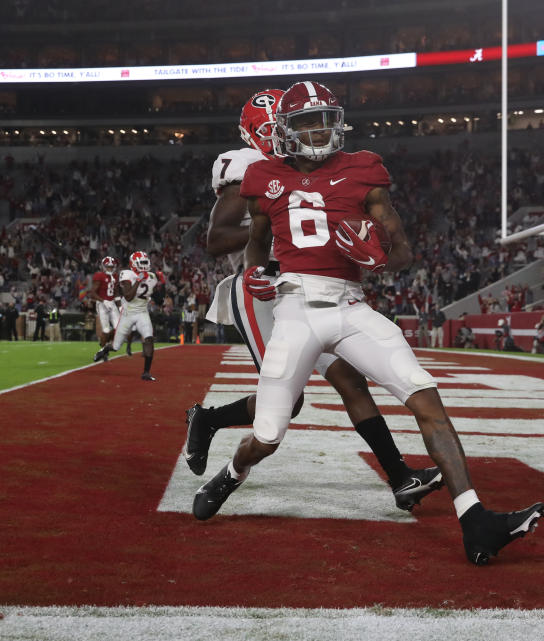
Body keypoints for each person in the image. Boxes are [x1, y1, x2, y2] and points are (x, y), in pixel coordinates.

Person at [192, 81, 544, 565]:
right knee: (270, 433)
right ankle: (231, 472)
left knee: (425, 395)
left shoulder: (364, 169)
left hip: (351, 306)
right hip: (294, 311)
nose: (318, 131)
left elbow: (401, 252)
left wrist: (377, 256)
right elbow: (254, 238)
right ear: (285, 131)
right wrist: (254, 271)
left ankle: (475, 520)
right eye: (305, 123)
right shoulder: (263, 177)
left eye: (325, 120)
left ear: (339, 123)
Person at [184, 88, 442, 513]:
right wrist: (286, 238)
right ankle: (208, 421)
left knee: (351, 381)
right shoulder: (250, 166)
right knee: (291, 402)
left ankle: (399, 477)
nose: (275, 137)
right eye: (267, 129)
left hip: (311, 291)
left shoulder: (308, 166)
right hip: (263, 288)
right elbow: (215, 240)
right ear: (252, 133)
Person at [98, 251, 162, 379]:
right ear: (133, 264)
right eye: (141, 263)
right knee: (116, 347)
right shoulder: (127, 274)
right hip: (128, 313)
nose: (144, 266)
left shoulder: (152, 276)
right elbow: (128, 297)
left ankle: (146, 372)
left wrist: (161, 286)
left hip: (142, 312)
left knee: (149, 339)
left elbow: (158, 298)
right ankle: (105, 349)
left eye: (145, 263)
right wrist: (138, 280)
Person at [91, 256, 121, 362]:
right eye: (108, 267)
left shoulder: (116, 276)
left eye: (112, 267)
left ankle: (105, 346)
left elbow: (116, 292)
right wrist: (104, 301)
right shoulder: (99, 276)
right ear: (103, 267)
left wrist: (120, 305)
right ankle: (103, 350)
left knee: (119, 328)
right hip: (102, 304)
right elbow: (92, 293)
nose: (110, 269)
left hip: (112, 303)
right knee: (106, 330)